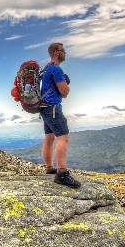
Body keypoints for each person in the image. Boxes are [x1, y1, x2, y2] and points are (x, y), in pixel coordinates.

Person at [40, 42, 81, 188]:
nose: (65, 53)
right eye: (63, 50)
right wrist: (66, 83)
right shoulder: (56, 69)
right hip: (52, 107)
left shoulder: (45, 69)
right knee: (63, 137)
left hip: (43, 107)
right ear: (57, 52)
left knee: (49, 137)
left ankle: (49, 168)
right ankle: (62, 174)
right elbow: (64, 92)